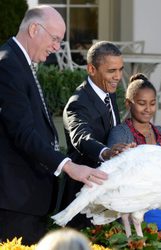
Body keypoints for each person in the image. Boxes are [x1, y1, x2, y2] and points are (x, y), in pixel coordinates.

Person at [0, 5, 108, 245]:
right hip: (15, 201)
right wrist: (69, 166)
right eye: (55, 39)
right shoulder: (8, 65)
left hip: (27, 199)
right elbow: (23, 132)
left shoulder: (19, 63)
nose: (57, 47)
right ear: (34, 29)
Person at [61, 41, 133, 229]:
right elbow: (81, 138)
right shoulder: (78, 103)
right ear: (91, 69)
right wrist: (107, 152)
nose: (118, 76)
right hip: (84, 201)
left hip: (107, 198)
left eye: (120, 69)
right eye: (111, 71)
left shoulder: (107, 93)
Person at [107, 73, 161, 230]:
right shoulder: (120, 133)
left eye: (153, 103)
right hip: (135, 217)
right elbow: (116, 184)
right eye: (142, 103)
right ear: (129, 104)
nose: (148, 109)